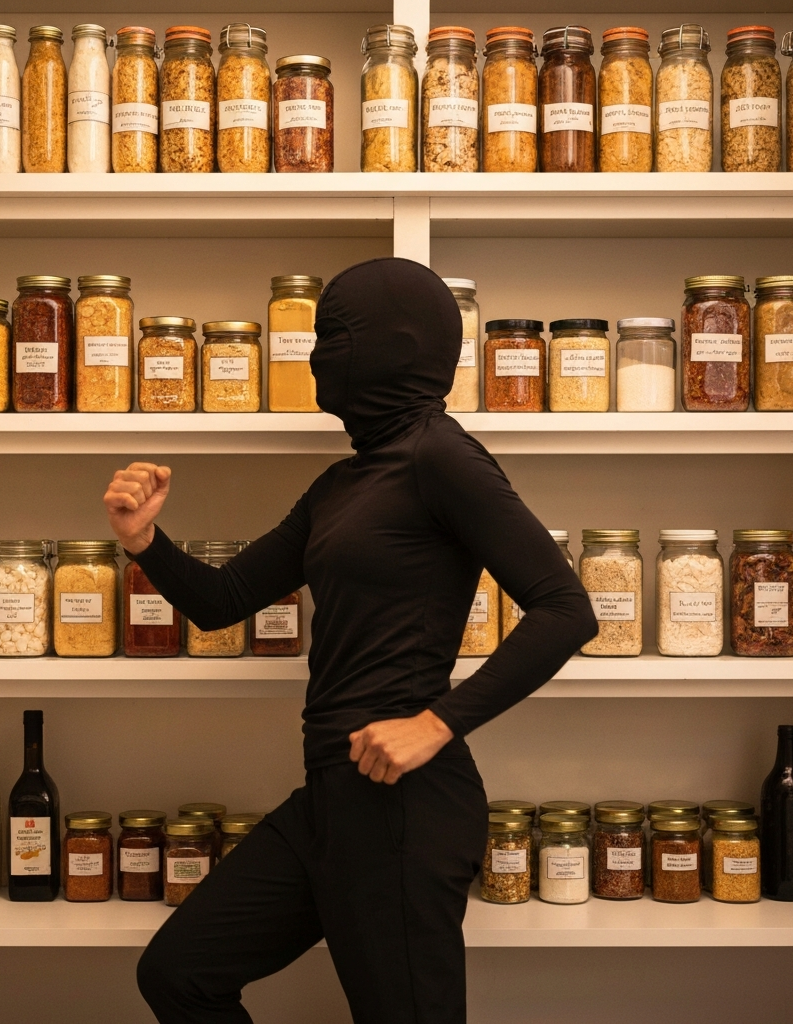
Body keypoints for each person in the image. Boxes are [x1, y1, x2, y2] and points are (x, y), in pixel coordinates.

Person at [103, 257, 596, 1023]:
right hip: (331, 800)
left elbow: (566, 608)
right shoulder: (342, 484)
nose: (316, 356)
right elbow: (222, 601)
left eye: (334, 334)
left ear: (394, 344)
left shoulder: (442, 457)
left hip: (407, 807)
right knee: (178, 972)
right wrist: (143, 540)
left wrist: (436, 724)